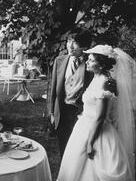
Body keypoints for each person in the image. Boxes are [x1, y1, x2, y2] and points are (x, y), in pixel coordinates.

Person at [57, 45, 135, 181]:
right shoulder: (96, 78)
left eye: (91, 60)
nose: (87, 62)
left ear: (101, 64)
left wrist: (90, 143)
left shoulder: (103, 83)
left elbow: (99, 117)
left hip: (96, 131)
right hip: (84, 126)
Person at [49, 28, 93, 157]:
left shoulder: (91, 63)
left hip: (80, 112)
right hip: (62, 111)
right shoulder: (59, 61)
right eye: (69, 41)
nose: (70, 46)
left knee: (79, 149)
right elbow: (54, 90)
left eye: (76, 43)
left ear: (84, 46)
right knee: (63, 146)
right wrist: (52, 112)